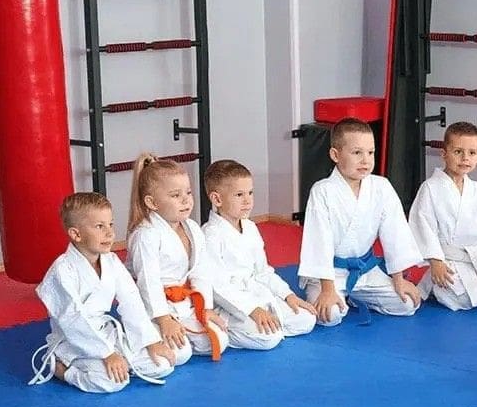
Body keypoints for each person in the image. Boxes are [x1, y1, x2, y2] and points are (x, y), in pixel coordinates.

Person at [29, 192, 178, 393]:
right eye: (100, 226)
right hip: (74, 340)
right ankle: (62, 369)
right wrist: (106, 354)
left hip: (106, 333)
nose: (109, 233)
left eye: (111, 224)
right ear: (76, 234)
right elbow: (73, 319)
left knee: (162, 363)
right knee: (113, 383)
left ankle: (120, 365)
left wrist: (150, 341)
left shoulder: (111, 261)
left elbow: (131, 301)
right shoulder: (62, 271)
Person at [298, 118, 423, 326]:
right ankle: (331, 293)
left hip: (366, 270)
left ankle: (357, 297)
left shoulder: (381, 187)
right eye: (357, 153)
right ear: (335, 155)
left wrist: (399, 279)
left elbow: (395, 234)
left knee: (408, 303)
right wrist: (328, 290)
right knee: (331, 316)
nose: (366, 160)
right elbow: (318, 242)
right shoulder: (323, 191)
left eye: (370, 153)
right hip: (331, 274)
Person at [202, 159, 316, 350]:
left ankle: (266, 326)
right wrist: (252, 310)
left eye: (250, 193)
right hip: (230, 305)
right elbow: (217, 286)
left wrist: (288, 296)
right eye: (239, 195)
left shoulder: (250, 227)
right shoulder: (210, 234)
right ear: (217, 199)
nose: (248, 201)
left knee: (307, 319)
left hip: (258, 294)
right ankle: (228, 329)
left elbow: (263, 272)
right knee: (268, 339)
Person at [126, 154, 229, 361]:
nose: (186, 200)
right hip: (152, 307)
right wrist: (163, 319)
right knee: (178, 356)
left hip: (183, 303)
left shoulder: (191, 227)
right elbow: (149, 282)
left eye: (188, 193)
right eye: (175, 195)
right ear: (152, 203)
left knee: (219, 339)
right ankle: (129, 347)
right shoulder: (146, 234)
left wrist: (205, 309)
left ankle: (179, 333)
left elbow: (200, 271)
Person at [408, 121, 477, 314]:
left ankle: (476, 286)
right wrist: (435, 261)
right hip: (448, 260)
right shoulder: (430, 188)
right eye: (458, 152)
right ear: (444, 154)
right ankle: (435, 284)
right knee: (462, 300)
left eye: (472, 153)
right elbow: (423, 226)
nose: (465, 158)